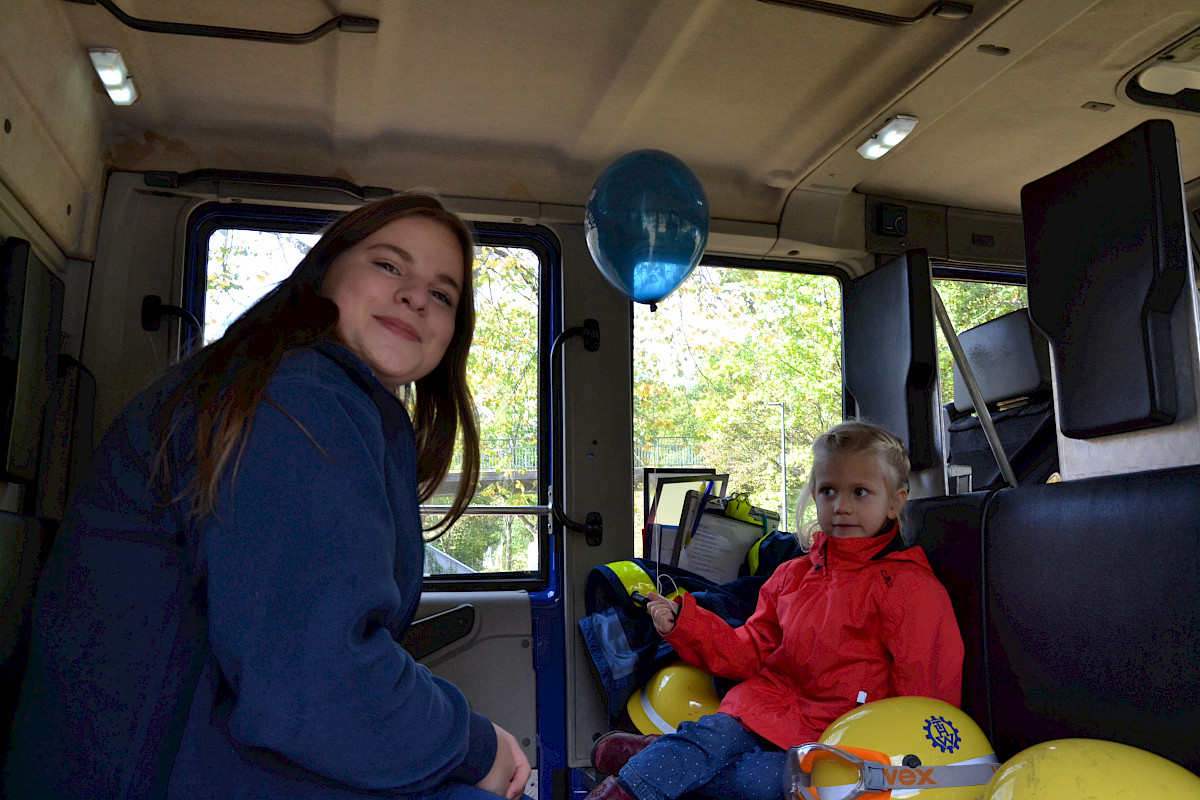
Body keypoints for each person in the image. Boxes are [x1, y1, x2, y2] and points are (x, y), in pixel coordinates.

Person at [4, 194, 532, 800]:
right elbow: (314, 680)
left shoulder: (309, 394)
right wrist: (474, 745)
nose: (417, 295)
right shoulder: (297, 402)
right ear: (322, 274)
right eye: (389, 266)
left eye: (443, 294)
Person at [586, 420, 964, 800]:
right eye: (828, 491)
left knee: (752, 782)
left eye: (860, 492)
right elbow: (750, 650)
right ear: (814, 494)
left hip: (838, 743)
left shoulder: (910, 590)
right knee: (713, 733)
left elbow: (925, 704)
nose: (841, 506)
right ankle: (634, 782)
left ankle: (659, 758)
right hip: (763, 709)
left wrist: (893, 767)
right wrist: (687, 624)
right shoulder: (792, 576)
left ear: (895, 502)